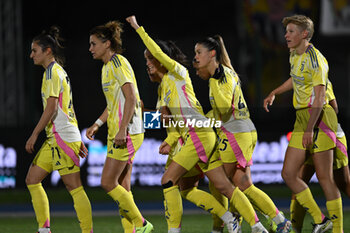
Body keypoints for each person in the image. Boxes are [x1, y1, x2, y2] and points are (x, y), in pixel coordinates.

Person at [126, 15, 268, 233]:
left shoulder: (178, 73)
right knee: (209, 186)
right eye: (146, 60)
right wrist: (142, 116)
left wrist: (137, 28)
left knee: (168, 181)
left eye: (150, 59)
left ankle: (191, 227)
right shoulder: (163, 89)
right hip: (197, 135)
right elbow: (168, 121)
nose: (147, 64)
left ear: (161, 59)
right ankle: (254, 225)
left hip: (198, 134)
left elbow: (156, 52)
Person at [192, 36, 292, 233]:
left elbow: (224, 108)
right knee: (243, 184)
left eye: (198, 53)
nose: (195, 58)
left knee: (222, 182)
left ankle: (243, 223)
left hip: (235, 133)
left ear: (212, 54)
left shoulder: (220, 77)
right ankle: (279, 221)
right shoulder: (224, 74)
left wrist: (204, 114)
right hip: (242, 131)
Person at [263, 14, 342, 233]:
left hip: (319, 118)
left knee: (326, 177)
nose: (286, 35)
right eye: (286, 31)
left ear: (304, 34)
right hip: (302, 118)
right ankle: (320, 219)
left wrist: (310, 129)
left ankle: (338, 230)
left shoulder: (316, 59)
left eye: (291, 31)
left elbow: (320, 97)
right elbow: (295, 79)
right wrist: (275, 92)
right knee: (289, 174)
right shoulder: (294, 54)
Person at [86, 21, 153, 233]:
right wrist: (97, 124)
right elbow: (114, 104)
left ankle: (143, 225)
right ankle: (132, 231)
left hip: (128, 131)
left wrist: (123, 129)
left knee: (107, 182)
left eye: (94, 44)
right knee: (123, 188)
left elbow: (132, 97)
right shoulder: (106, 68)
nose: (90, 49)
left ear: (107, 44)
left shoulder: (118, 63)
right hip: (119, 131)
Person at [25, 26, 93, 233]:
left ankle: (87, 231)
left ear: (47, 51)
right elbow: (68, 108)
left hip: (62, 138)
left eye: (34, 50)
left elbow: (52, 108)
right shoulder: (53, 72)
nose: (31, 55)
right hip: (59, 137)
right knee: (32, 179)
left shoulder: (53, 72)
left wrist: (34, 134)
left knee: (74, 186)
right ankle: (44, 229)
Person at [290, 80, 349, 233]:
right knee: (299, 181)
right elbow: (334, 108)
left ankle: (301, 227)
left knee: (303, 181)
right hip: (326, 132)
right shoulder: (322, 77)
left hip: (320, 132)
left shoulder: (304, 76)